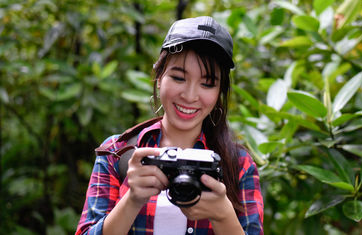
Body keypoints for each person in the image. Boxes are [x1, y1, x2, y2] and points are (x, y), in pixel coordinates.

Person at [75, 16, 264, 235]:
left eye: (207, 83)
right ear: (159, 77)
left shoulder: (238, 164)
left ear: (219, 93)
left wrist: (223, 215)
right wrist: (132, 200)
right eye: (178, 78)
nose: (190, 95)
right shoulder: (118, 153)